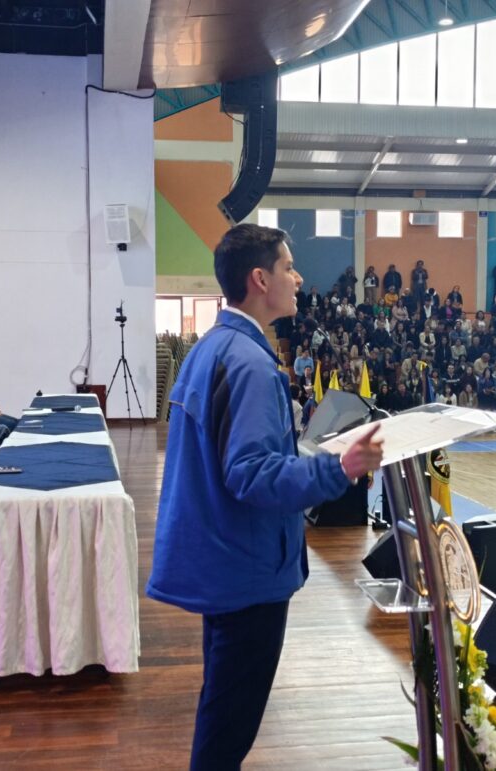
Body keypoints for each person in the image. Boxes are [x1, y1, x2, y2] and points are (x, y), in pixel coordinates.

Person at [146, 224, 385, 770]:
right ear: (259, 279)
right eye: (288, 267)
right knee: (228, 730)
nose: (299, 278)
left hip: (225, 562)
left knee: (222, 710)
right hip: (245, 572)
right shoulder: (251, 364)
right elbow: (251, 475)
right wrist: (337, 469)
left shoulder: (213, 349)